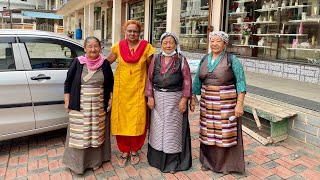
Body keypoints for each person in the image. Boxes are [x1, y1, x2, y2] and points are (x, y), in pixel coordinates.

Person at [190, 31, 247, 173]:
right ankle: (208, 162)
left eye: (218, 41)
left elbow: (241, 81)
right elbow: (197, 79)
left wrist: (239, 103)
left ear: (225, 43)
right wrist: (192, 97)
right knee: (208, 132)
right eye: (212, 41)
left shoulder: (232, 60)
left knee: (225, 133)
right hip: (207, 103)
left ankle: (226, 165)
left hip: (226, 103)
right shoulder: (204, 59)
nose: (214, 44)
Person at [106, 20, 155, 167]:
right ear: (125, 31)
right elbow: (106, 62)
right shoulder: (118, 47)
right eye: (129, 31)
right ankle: (124, 151)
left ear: (139, 32)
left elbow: (152, 71)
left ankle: (135, 150)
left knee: (137, 121)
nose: (132, 33)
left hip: (139, 92)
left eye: (135, 31)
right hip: (121, 92)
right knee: (121, 121)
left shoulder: (147, 47)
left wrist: (150, 92)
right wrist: (88, 63)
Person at [62, 36, 114, 174]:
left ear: (100, 48)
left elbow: (110, 84)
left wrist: (110, 99)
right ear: (84, 48)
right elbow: (68, 82)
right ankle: (78, 164)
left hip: (98, 105)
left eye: (96, 46)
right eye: (89, 46)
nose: (93, 49)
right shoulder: (77, 62)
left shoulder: (105, 64)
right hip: (80, 104)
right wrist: (67, 101)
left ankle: (95, 161)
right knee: (80, 134)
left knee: (96, 133)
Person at [145, 32, 192, 173]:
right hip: (157, 98)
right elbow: (149, 79)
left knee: (173, 131)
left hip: (175, 99)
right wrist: (150, 97)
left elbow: (187, 81)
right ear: (161, 44)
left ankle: (173, 162)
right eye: (165, 42)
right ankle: (157, 161)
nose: (168, 45)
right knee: (157, 130)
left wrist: (184, 100)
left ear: (175, 44)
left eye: (171, 42)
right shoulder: (156, 59)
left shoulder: (181, 60)